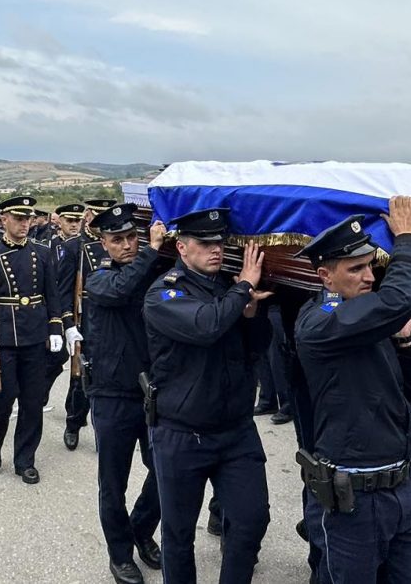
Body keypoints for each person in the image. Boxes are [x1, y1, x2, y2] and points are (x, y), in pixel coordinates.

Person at [294, 197, 411, 583]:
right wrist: (406, 239)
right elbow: (399, 299)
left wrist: (406, 344)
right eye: (356, 268)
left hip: (404, 490)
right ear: (325, 277)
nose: (370, 277)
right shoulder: (319, 322)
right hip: (352, 500)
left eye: (371, 265)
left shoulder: (368, 318)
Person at [142, 207, 273, 584]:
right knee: (179, 534)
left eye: (220, 243)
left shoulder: (227, 288)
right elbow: (206, 326)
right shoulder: (164, 292)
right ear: (182, 247)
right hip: (182, 433)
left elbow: (257, 348)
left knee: (250, 522)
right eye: (204, 243)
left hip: (235, 432)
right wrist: (243, 288)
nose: (216, 249)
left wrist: (251, 313)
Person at [82, 203, 165, 583]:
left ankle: (141, 529)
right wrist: (153, 249)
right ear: (103, 243)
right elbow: (121, 289)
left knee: (164, 472)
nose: (128, 245)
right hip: (111, 394)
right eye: (118, 239)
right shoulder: (100, 279)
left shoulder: (151, 272)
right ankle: (120, 555)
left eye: (133, 237)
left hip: (152, 391)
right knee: (113, 483)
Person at [0, 196, 63, 485]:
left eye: (28, 219)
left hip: (34, 336)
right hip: (5, 338)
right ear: (4, 220)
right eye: (19, 219)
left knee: (32, 403)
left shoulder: (42, 253)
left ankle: (25, 460)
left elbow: (52, 295)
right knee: (3, 399)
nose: (25, 224)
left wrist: (56, 327)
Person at [55, 199, 113, 451]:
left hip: (112, 320)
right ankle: (74, 422)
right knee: (82, 378)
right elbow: (63, 290)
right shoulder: (74, 248)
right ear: (89, 215)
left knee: (109, 380)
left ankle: (104, 431)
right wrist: (69, 324)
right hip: (87, 320)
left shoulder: (116, 243)